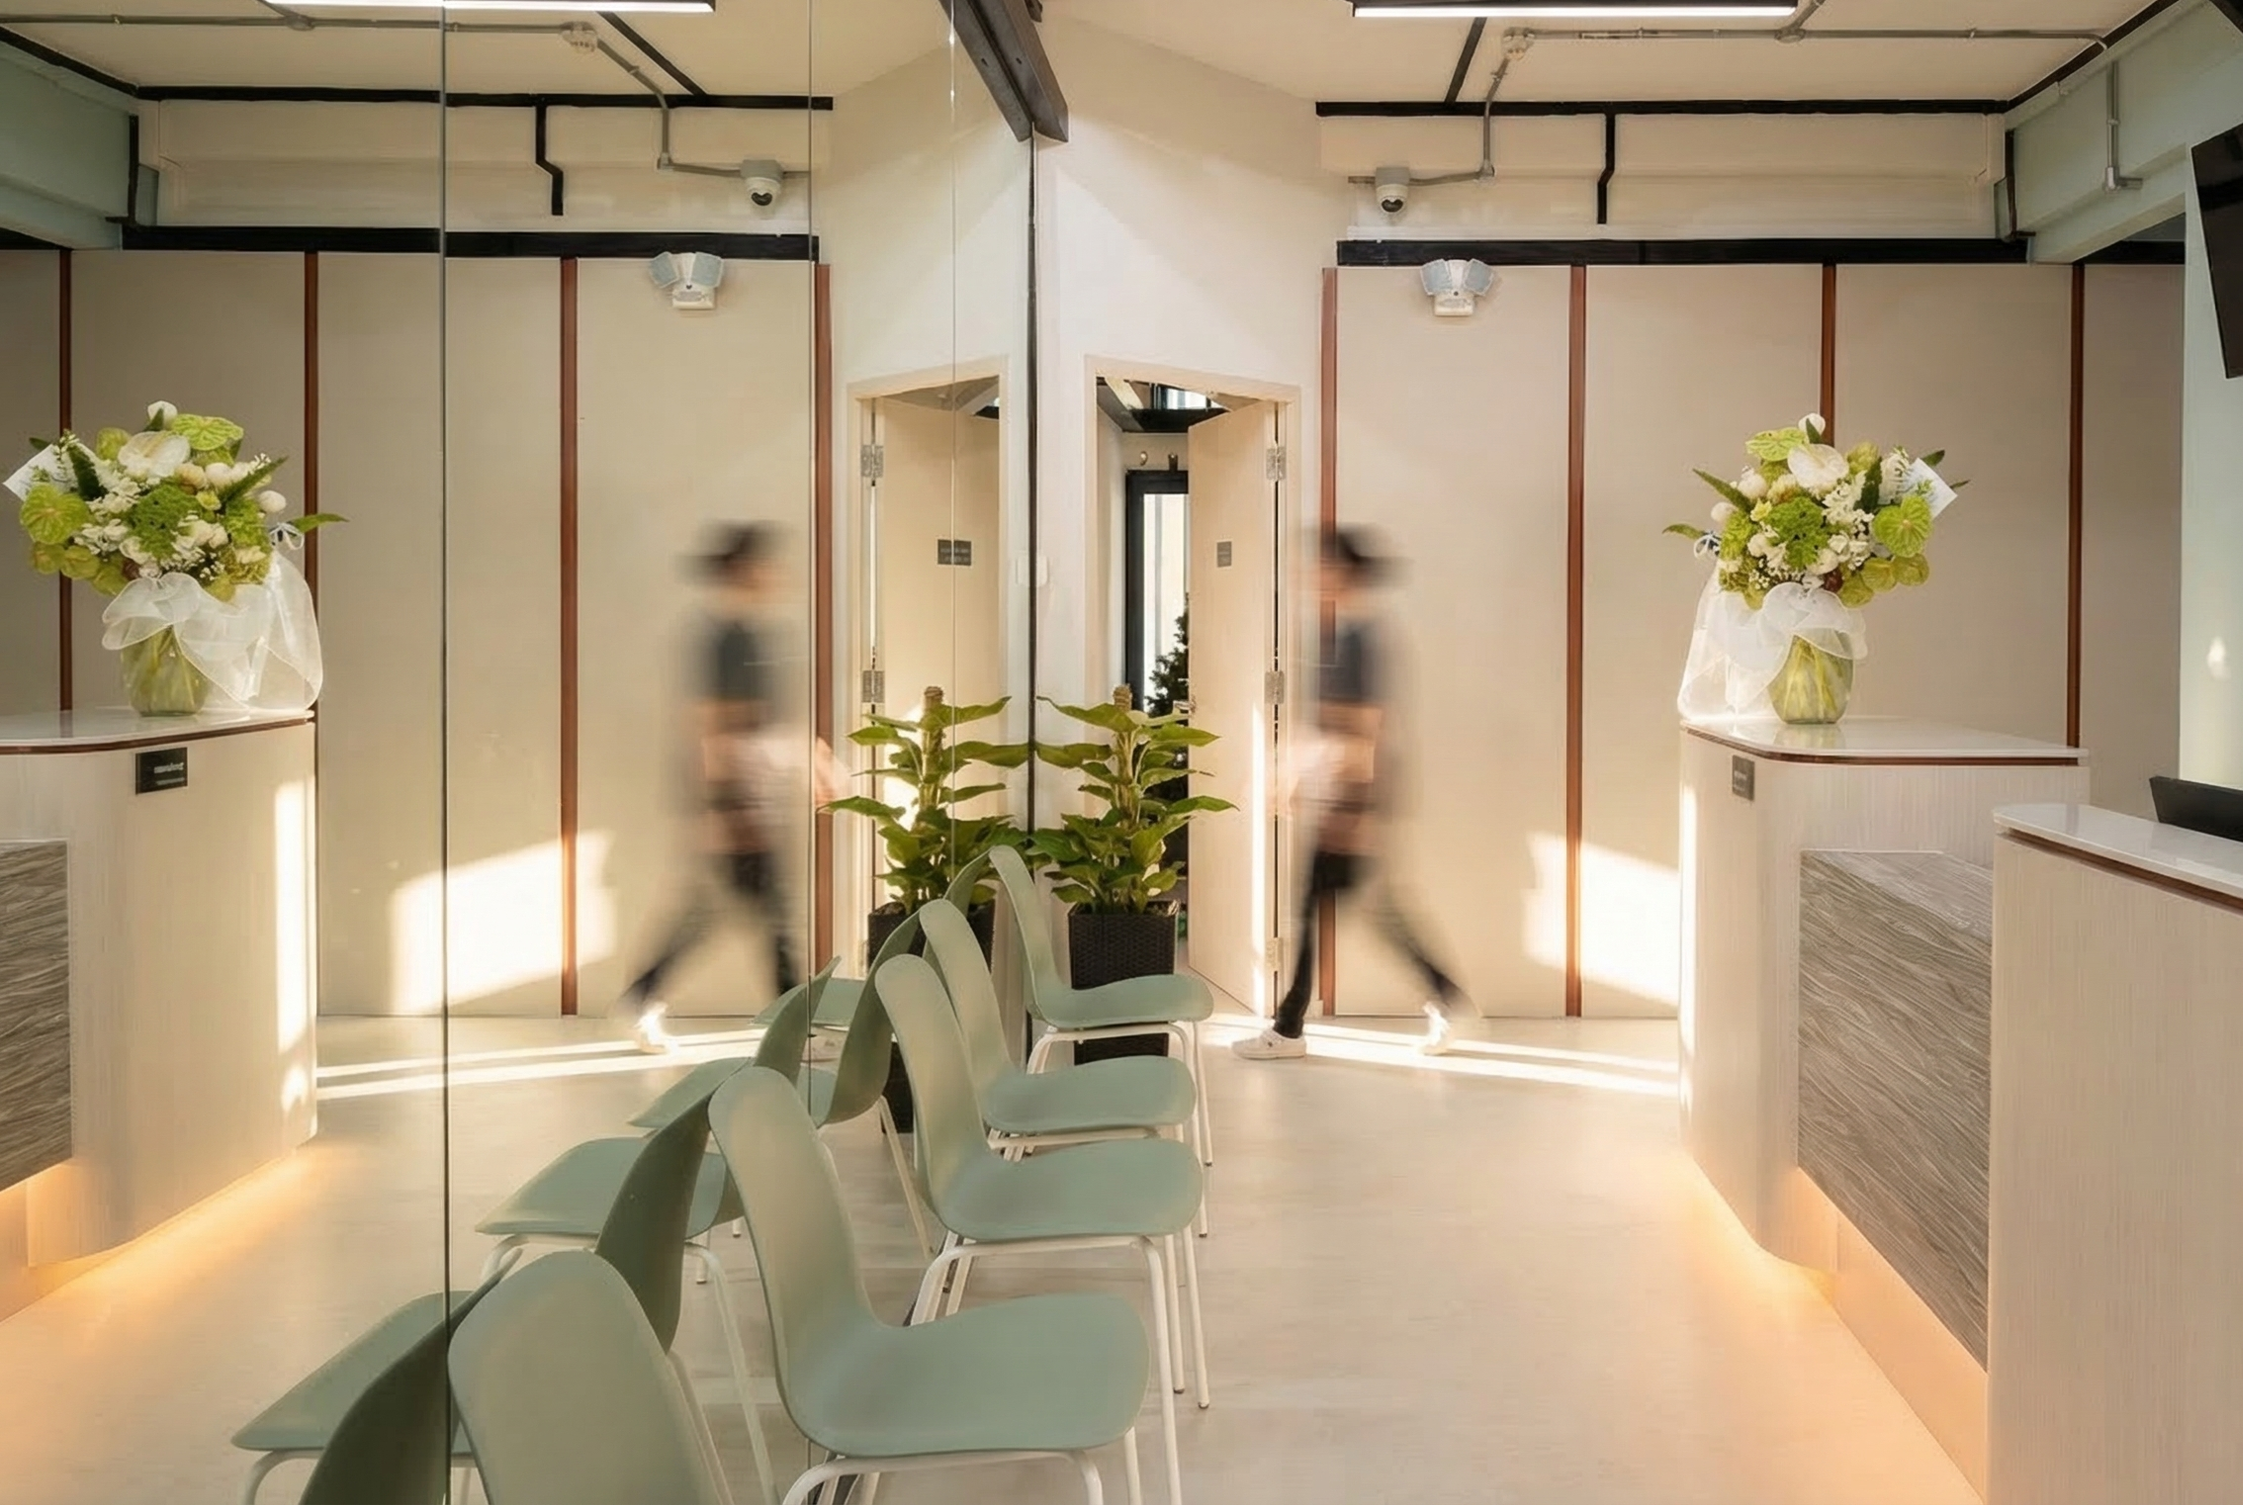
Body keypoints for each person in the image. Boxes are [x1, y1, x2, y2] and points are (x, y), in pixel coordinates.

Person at [1234, 528, 1472, 1061]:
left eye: (1321, 570)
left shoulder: (1359, 640)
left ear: (1344, 574)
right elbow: (1330, 726)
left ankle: (1290, 1028)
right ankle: (1444, 998)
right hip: (1343, 796)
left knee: (1325, 909)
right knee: (1359, 909)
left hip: (1350, 800)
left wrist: (1350, 809)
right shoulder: (1343, 635)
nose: (1312, 580)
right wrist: (1285, 772)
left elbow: (1363, 729)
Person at [618, 523, 810, 1054]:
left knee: (729, 910)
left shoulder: (747, 635)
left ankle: (642, 998)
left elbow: (763, 723)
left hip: (754, 794)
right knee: (766, 912)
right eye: (762, 565)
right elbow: (711, 724)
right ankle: (789, 1030)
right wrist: (726, 806)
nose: (773, 575)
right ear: (741, 570)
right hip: (739, 799)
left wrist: (812, 762)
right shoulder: (725, 639)